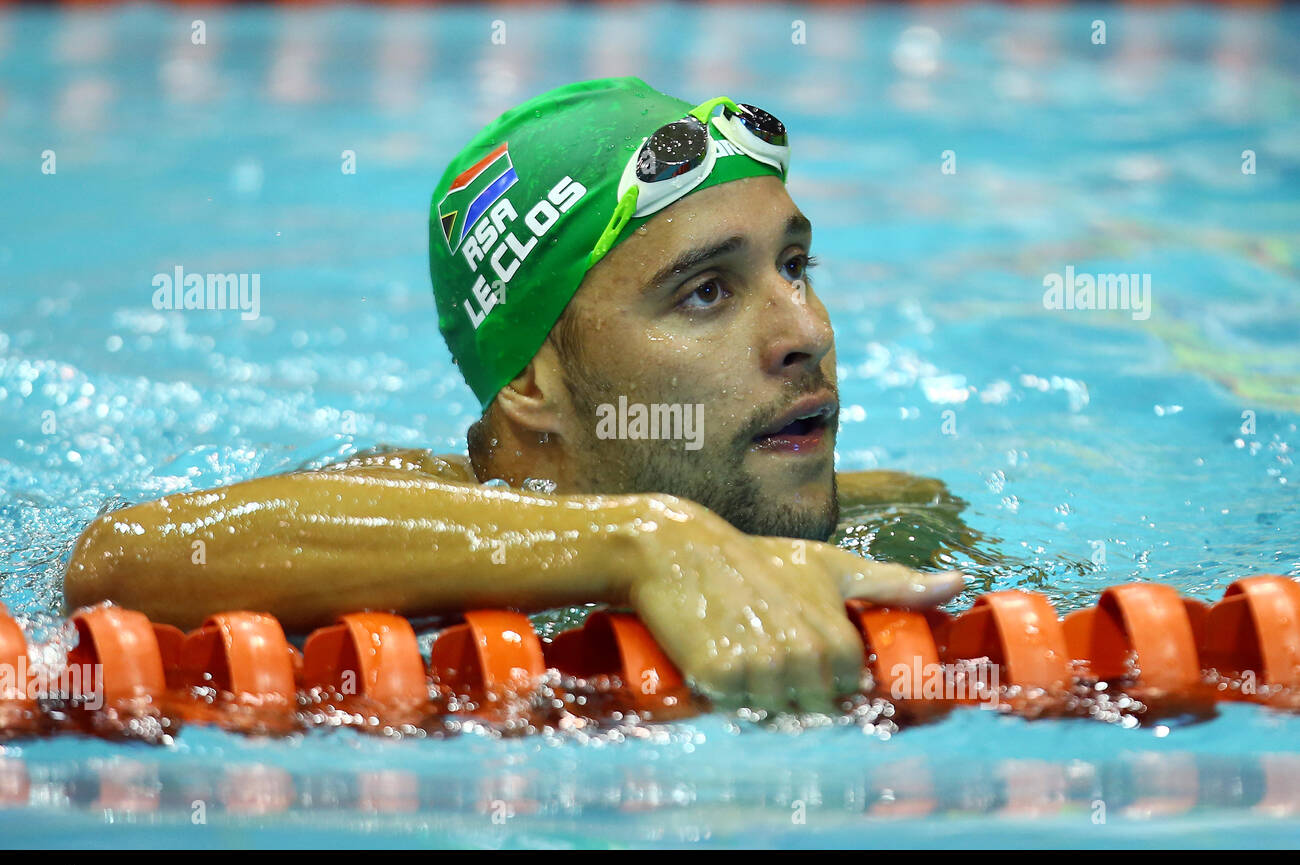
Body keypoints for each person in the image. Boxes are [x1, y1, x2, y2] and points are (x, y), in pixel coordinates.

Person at [63, 77, 967, 713]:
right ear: (532, 379)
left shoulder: (901, 525)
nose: (805, 334)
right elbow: (117, 560)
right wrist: (643, 544)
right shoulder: (412, 513)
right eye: (705, 292)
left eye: (796, 265)